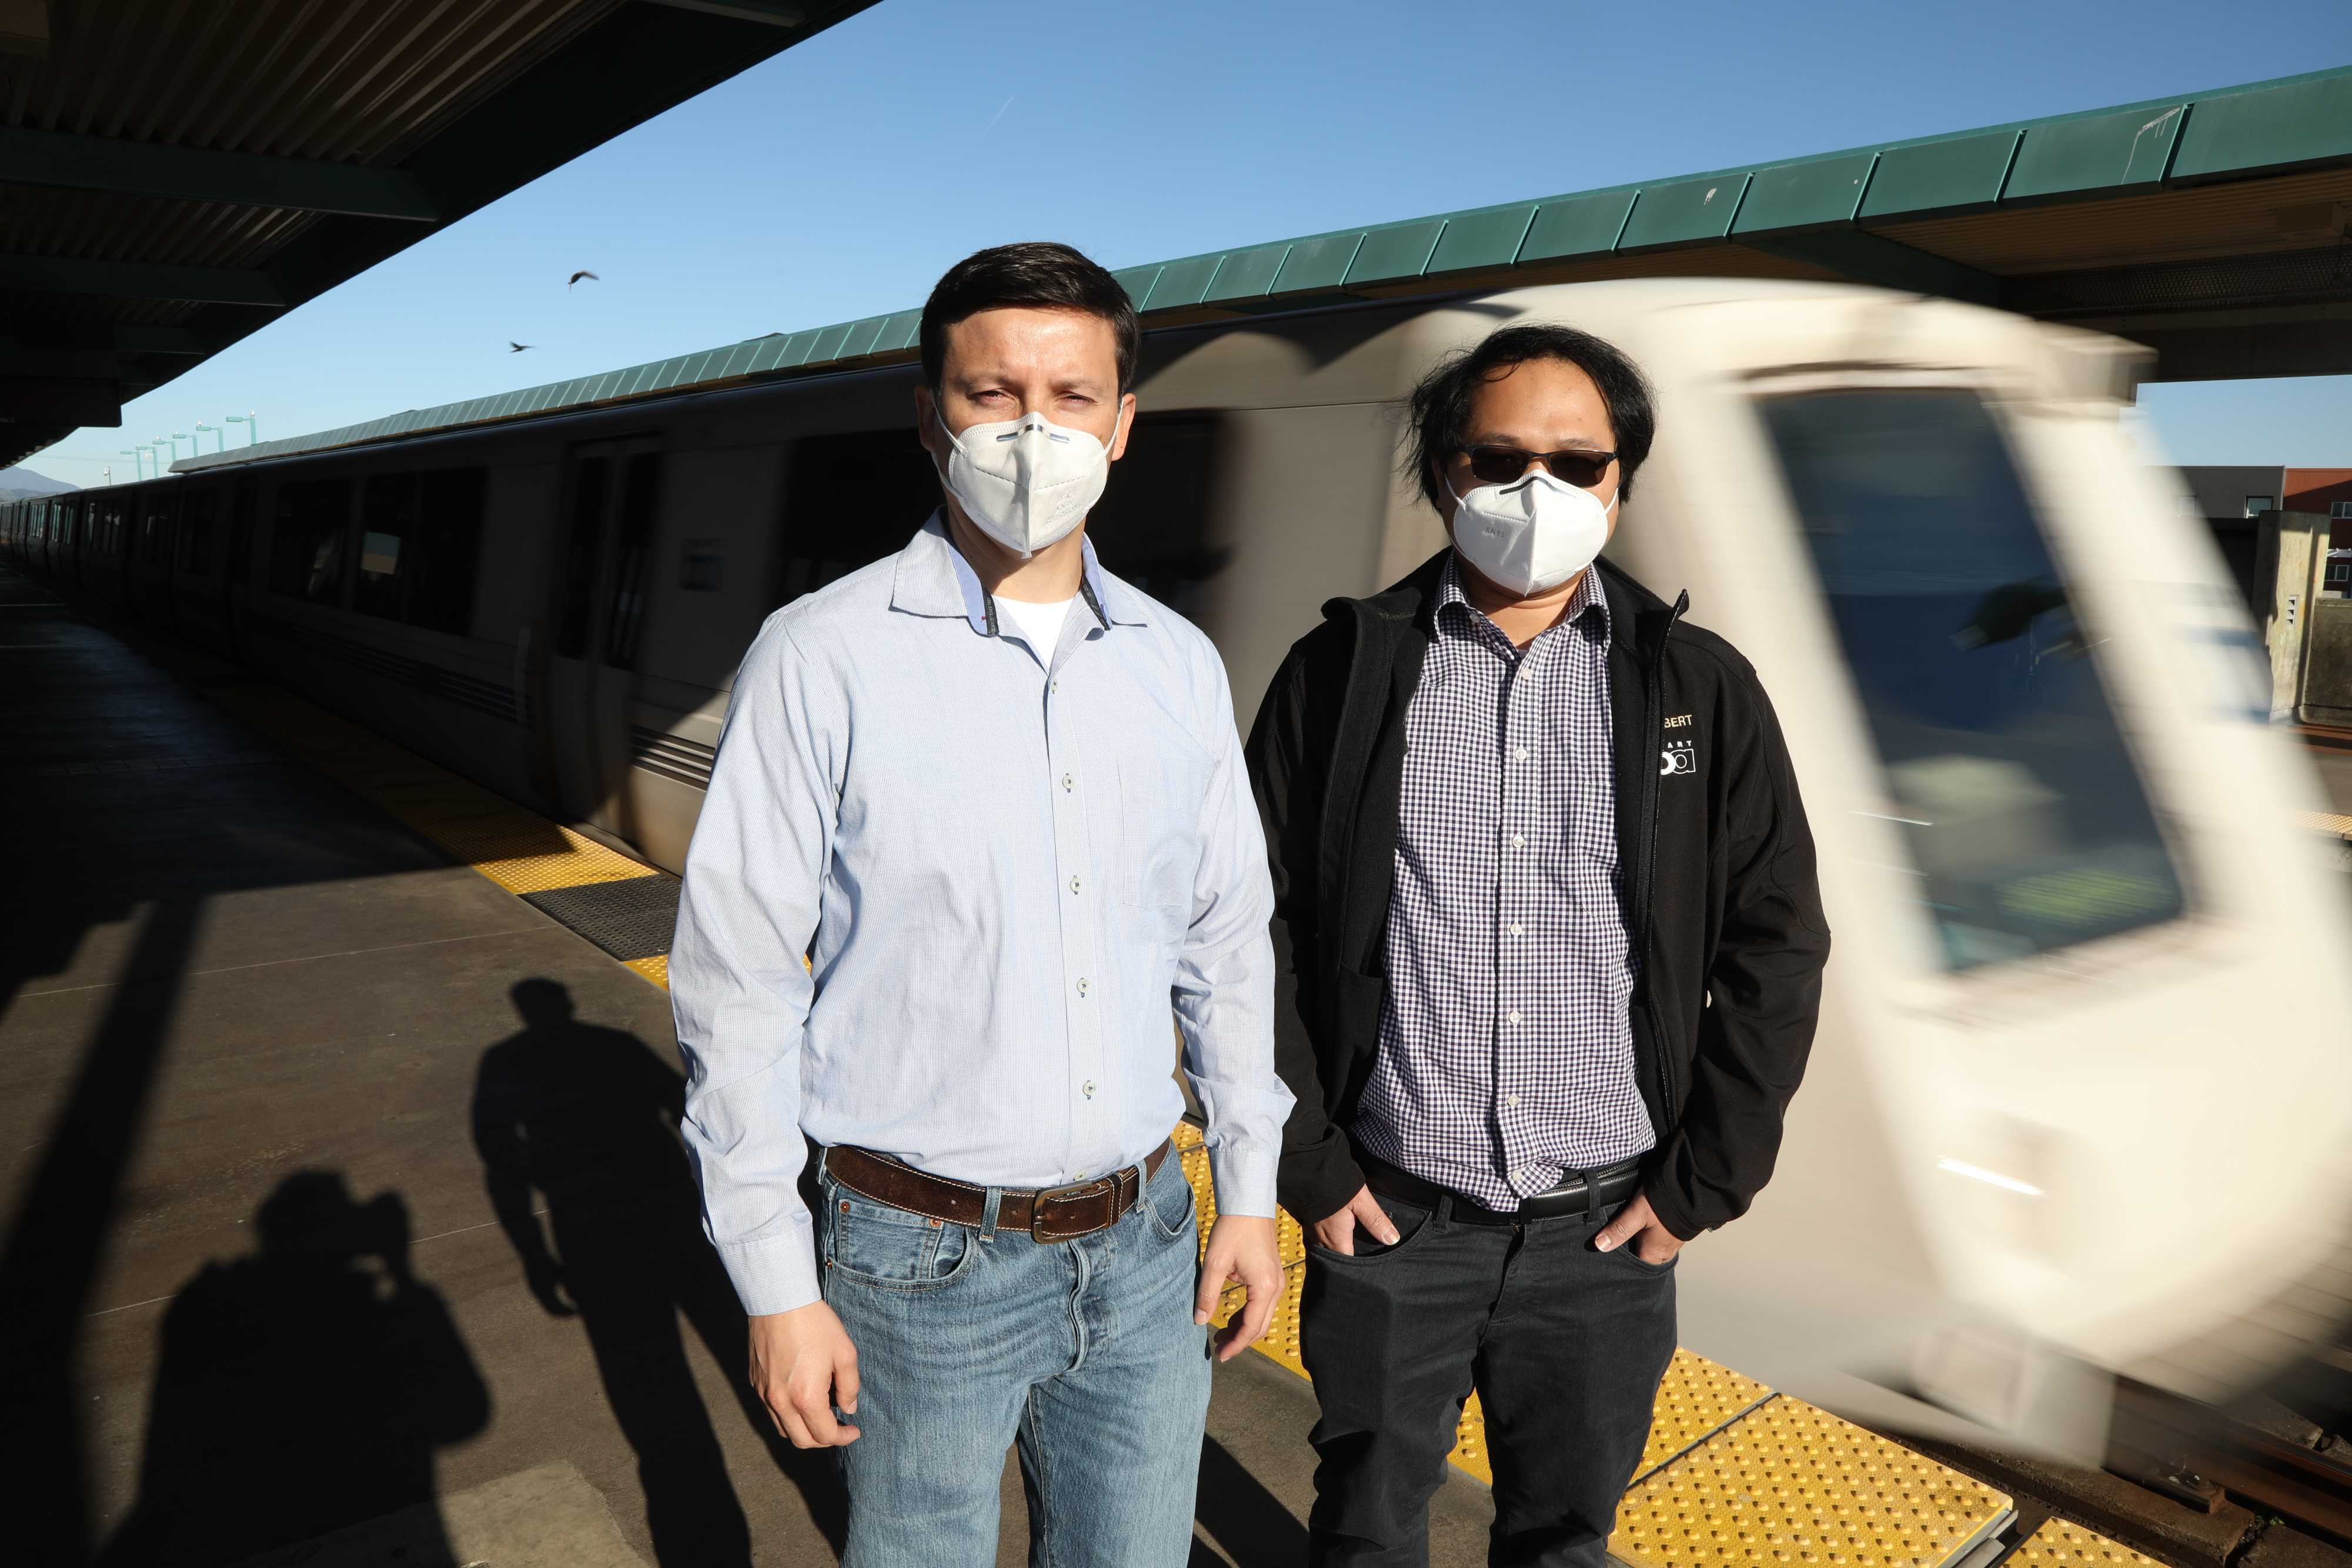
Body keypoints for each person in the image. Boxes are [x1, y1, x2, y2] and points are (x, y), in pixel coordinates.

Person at [668, 240, 1292, 1568]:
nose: (1029, 428)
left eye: (1069, 396)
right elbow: (735, 983)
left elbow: (1223, 940)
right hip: (913, 1260)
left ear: (1122, 426)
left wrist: (1246, 1184)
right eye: (988, 391)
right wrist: (776, 1281)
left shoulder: (1176, 666)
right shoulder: (819, 652)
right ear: (929, 415)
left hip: (1145, 1241)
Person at [1245, 323, 1830, 1567]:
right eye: (1499, 456)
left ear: (1621, 482)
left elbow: (1775, 942)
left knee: (1566, 1538)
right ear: (1443, 472)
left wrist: (1703, 1180)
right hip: (1390, 1215)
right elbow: (1245, 927)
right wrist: (1307, 1156)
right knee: (1361, 1527)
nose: (1537, 491)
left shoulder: (1696, 686)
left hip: (1605, 1228)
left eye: (1576, 463)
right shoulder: (1339, 675)